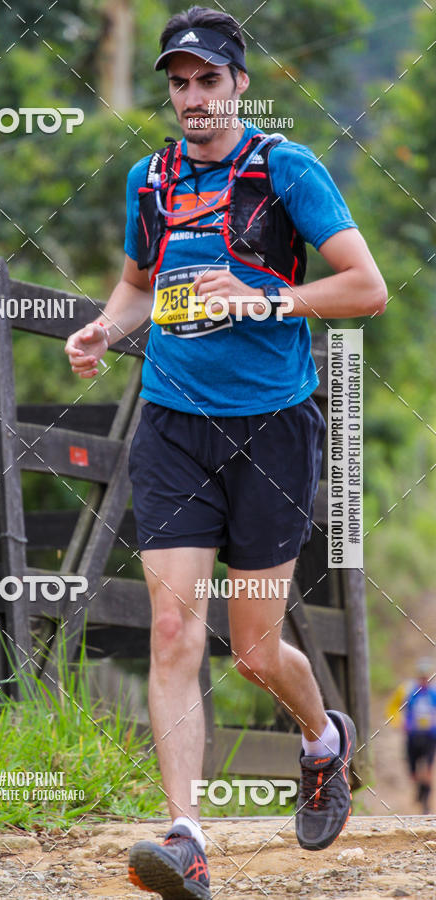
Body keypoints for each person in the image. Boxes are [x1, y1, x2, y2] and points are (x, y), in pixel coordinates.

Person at [65, 6, 386, 898]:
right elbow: (138, 285)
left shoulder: (287, 169)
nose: (193, 96)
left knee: (252, 650)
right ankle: (187, 839)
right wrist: (104, 329)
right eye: (180, 83)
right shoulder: (150, 180)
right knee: (173, 630)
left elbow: (367, 288)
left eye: (209, 79)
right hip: (172, 424)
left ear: (240, 83)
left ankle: (322, 740)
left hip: (272, 428)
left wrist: (264, 298)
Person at [388, 658, 436, 814]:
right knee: (413, 772)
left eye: (426, 677)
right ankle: (419, 790)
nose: (424, 680)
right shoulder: (407, 690)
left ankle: (426, 804)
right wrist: (398, 722)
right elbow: (392, 707)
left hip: (430, 736)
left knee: (428, 770)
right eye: (421, 676)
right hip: (413, 735)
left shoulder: (433, 693)